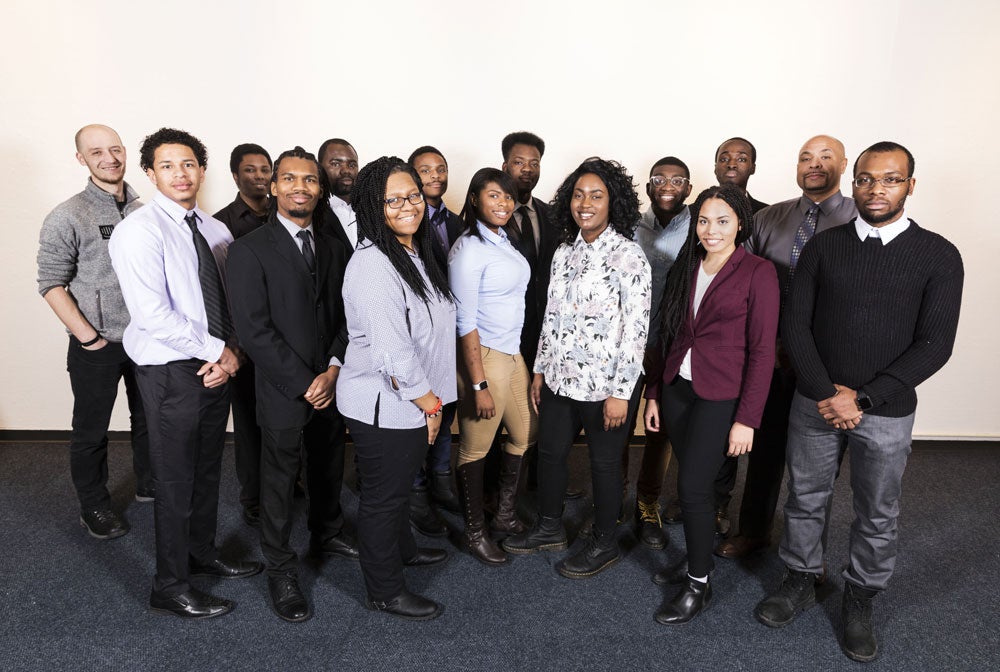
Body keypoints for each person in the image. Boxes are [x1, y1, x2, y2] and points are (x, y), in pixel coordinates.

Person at [754, 142, 963, 663]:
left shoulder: (939, 254)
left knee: (877, 511)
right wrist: (828, 393)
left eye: (890, 180)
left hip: (885, 411)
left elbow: (935, 345)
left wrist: (864, 397)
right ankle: (801, 576)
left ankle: (861, 596)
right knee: (805, 497)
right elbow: (795, 326)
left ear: (910, 186)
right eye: (867, 179)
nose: (876, 189)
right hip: (816, 402)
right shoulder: (824, 247)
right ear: (854, 183)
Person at [109, 128, 262, 619]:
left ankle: (201, 553)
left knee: (205, 470)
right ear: (151, 174)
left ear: (202, 169)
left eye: (190, 163)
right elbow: (153, 314)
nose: (181, 173)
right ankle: (170, 584)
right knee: (174, 480)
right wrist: (222, 351)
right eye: (168, 166)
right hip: (171, 371)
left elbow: (231, 300)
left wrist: (230, 352)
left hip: (216, 364)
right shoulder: (140, 230)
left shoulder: (214, 230)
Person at [227, 146, 358, 623]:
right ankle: (280, 567)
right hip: (285, 387)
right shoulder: (249, 249)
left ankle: (328, 531)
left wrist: (335, 368)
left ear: (319, 189)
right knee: (279, 481)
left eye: (309, 180)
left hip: (332, 378)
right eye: (290, 179)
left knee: (328, 464)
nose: (300, 187)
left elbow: (349, 311)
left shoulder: (332, 243)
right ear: (274, 186)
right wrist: (307, 382)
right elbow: (254, 331)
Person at [503, 159, 651, 580]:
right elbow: (552, 315)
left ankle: (604, 541)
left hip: (605, 387)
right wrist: (539, 369)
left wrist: (622, 391)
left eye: (597, 195)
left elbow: (635, 331)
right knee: (550, 454)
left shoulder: (629, 256)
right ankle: (549, 527)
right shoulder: (565, 253)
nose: (585, 203)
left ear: (614, 202)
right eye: (578, 194)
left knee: (604, 466)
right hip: (559, 379)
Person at [716, 135, 857, 560]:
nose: (814, 165)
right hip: (774, 357)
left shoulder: (859, 218)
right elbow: (742, 283)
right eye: (805, 158)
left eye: (825, 157)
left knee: (818, 467)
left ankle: (808, 554)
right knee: (766, 452)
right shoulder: (769, 219)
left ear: (844, 164)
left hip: (831, 363)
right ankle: (754, 530)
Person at [644, 184, 779, 624]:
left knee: (692, 490)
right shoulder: (689, 264)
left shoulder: (758, 271)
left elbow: (762, 352)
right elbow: (668, 332)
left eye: (722, 221)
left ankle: (698, 584)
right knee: (694, 484)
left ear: (740, 223)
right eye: (703, 220)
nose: (711, 230)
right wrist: (654, 393)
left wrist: (747, 420)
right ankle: (698, 559)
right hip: (678, 389)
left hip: (722, 396)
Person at [336, 156, 455, 621]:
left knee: (399, 487)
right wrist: (430, 404)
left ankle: (403, 550)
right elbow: (393, 352)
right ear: (371, 206)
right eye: (393, 200)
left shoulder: (411, 252)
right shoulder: (372, 265)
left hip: (412, 400)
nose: (408, 205)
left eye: (413, 195)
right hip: (386, 403)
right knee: (384, 499)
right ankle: (385, 590)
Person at [36, 124, 153, 540]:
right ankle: (95, 506)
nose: (110, 159)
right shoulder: (68, 214)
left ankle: (149, 483)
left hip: (145, 341)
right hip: (97, 343)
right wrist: (88, 337)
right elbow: (50, 283)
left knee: (148, 419)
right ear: (81, 159)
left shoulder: (146, 211)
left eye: (116, 149)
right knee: (91, 430)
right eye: (97, 152)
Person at [449, 168, 534, 565]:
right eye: (493, 196)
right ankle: (474, 533)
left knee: (526, 432)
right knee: (475, 447)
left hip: (512, 353)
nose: (502, 203)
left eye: (507, 196)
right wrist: (478, 384)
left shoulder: (504, 240)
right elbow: (464, 321)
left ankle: (502, 514)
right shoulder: (469, 250)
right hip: (484, 358)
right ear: (474, 201)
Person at [624, 156, 692, 550]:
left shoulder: (700, 225)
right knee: (615, 421)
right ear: (648, 188)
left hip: (672, 343)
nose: (668, 185)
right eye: (659, 179)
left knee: (659, 428)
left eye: (677, 179)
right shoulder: (630, 225)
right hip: (629, 342)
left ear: (688, 187)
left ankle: (647, 504)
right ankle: (613, 500)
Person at [710, 137, 770, 533]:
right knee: (710, 428)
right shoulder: (705, 211)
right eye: (725, 157)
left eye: (741, 158)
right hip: (711, 337)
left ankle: (726, 505)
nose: (733, 163)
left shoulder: (767, 215)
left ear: (753, 166)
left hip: (751, 333)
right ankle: (706, 499)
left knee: (741, 428)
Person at [404, 145, 463, 536]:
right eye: (425, 170)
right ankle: (416, 493)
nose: (435, 176)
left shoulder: (458, 222)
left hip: (450, 330)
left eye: (440, 169)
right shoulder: (406, 220)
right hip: (415, 333)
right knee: (416, 413)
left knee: (447, 408)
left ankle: (442, 480)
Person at [213, 142, 273, 528]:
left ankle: (286, 482)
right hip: (245, 340)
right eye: (250, 170)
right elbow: (221, 290)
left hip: (283, 337)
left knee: (283, 418)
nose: (259, 176)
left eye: (265, 169)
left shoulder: (284, 214)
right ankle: (253, 495)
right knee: (250, 423)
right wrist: (235, 343)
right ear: (235, 175)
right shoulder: (221, 225)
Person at [317, 138, 360, 255]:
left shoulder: (371, 210)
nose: (346, 170)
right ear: (319, 168)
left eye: (352, 165)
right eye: (336, 164)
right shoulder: (312, 213)